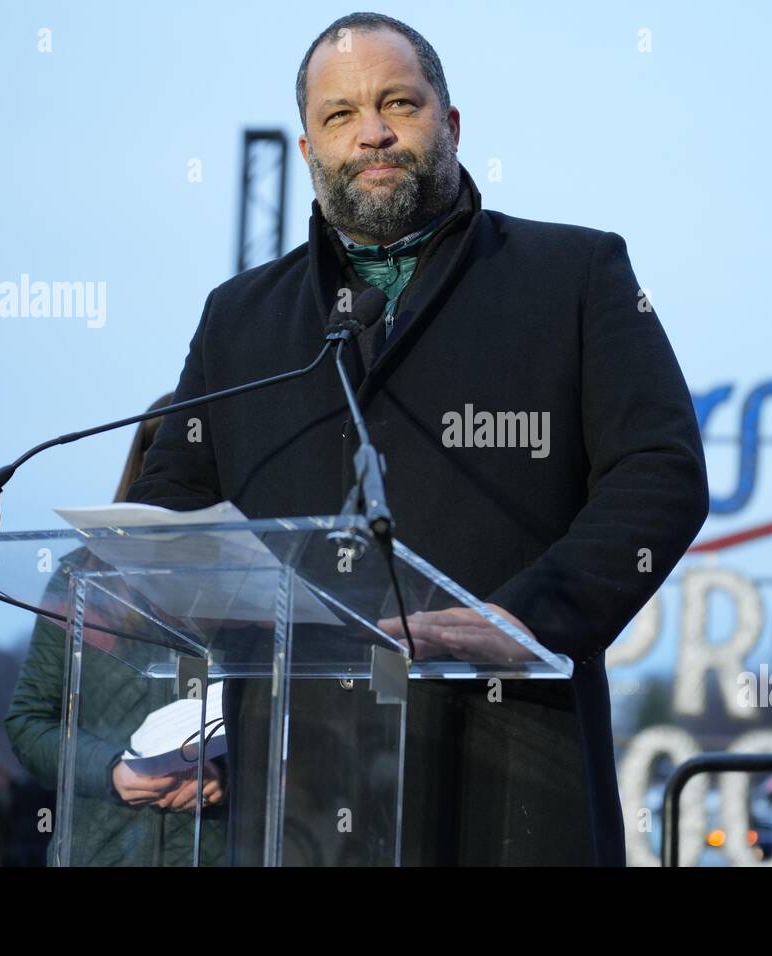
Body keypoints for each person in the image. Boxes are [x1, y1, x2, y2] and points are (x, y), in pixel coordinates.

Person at [126, 13, 708, 865]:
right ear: (308, 150)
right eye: (340, 114)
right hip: (295, 793)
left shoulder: (575, 275)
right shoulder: (238, 316)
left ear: (452, 122)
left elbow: (660, 474)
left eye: (399, 102)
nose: (372, 131)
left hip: (512, 771)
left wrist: (524, 619)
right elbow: (168, 505)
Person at [4, 394, 228, 866]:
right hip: (99, 853)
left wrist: (226, 774)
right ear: (145, 464)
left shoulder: (253, 583)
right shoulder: (81, 577)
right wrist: (111, 771)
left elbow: (289, 726)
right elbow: (29, 723)